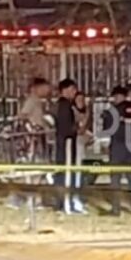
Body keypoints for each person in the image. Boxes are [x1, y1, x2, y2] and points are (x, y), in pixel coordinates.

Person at [101, 85, 131, 215]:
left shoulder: (112, 111)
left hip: (117, 146)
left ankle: (116, 208)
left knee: (115, 177)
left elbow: (107, 131)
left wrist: (105, 146)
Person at [54, 78, 86, 214]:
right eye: (72, 89)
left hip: (67, 142)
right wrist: (76, 130)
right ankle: (66, 205)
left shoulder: (67, 105)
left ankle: (64, 203)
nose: (74, 92)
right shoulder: (64, 105)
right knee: (67, 173)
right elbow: (65, 126)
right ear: (65, 90)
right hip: (66, 142)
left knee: (67, 172)